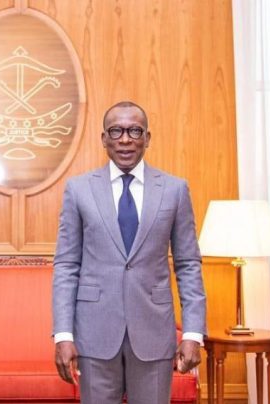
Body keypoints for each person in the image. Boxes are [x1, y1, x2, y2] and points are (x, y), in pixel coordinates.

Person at [52, 101, 206, 403]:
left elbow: (188, 265)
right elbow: (67, 266)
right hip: (94, 335)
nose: (125, 139)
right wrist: (63, 335)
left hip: (154, 333)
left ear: (147, 138)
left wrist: (192, 334)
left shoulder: (175, 190)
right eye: (117, 131)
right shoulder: (78, 189)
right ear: (104, 139)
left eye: (135, 131)